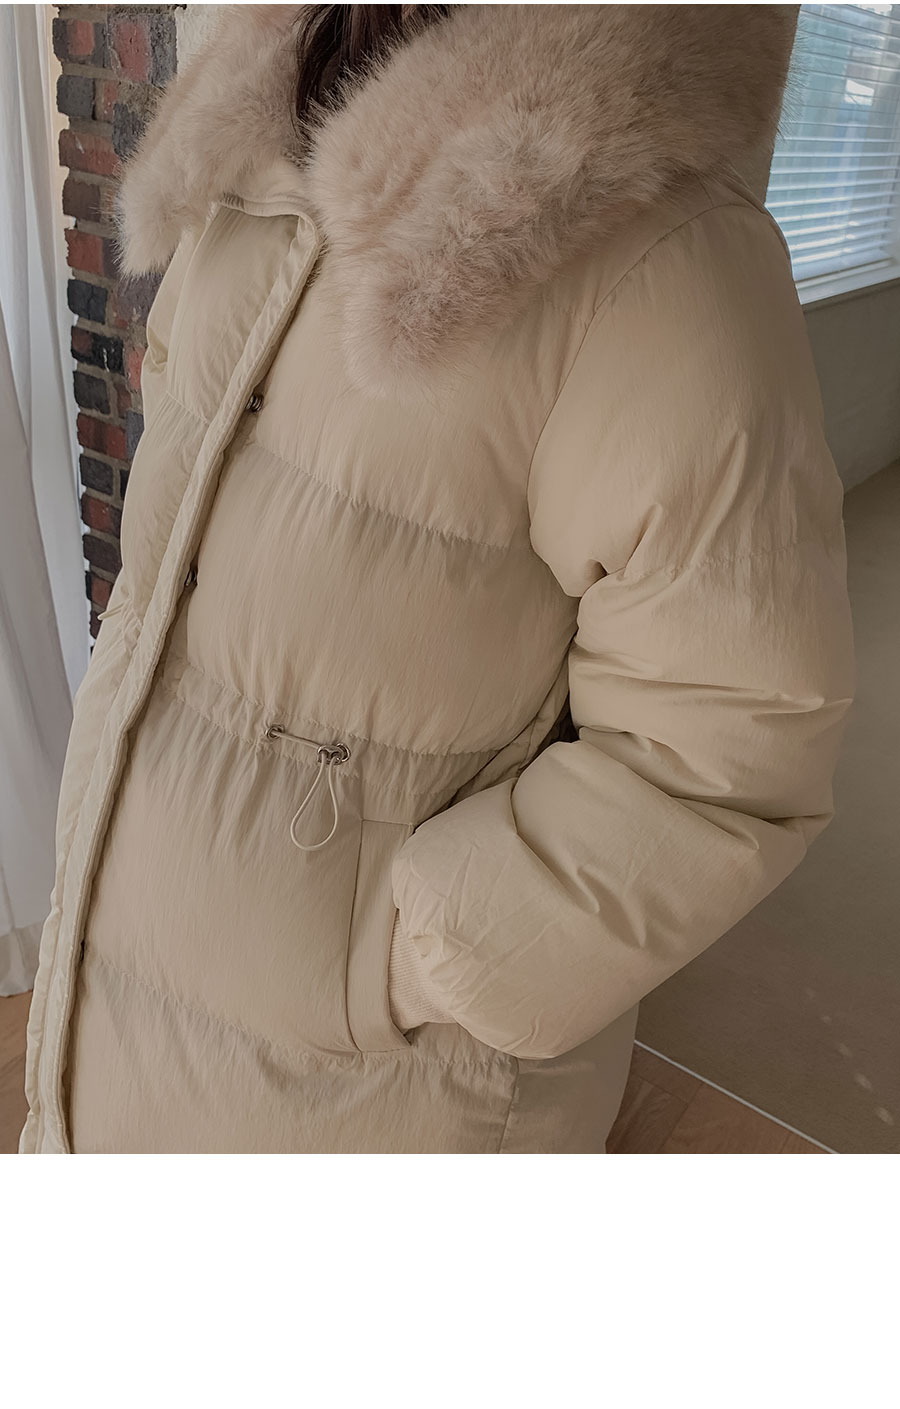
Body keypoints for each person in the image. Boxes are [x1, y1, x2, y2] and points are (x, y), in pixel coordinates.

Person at [20, 5, 855, 1154]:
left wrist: (409, 957)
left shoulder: (661, 258)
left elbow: (730, 744)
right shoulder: (263, 101)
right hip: (117, 994)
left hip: (370, 1101)